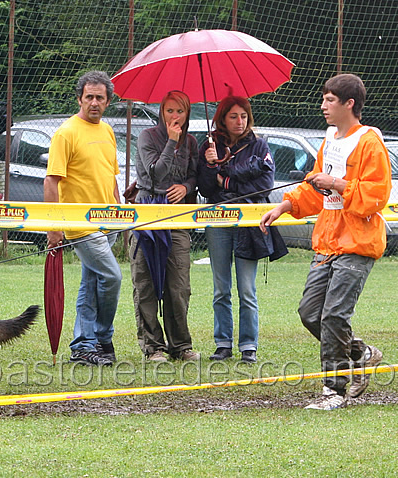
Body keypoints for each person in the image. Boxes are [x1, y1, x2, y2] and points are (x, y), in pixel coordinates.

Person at [260, 74, 390, 410]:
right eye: (323, 99)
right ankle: (361, 353)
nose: (323, 106)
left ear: (350, 104)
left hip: (358, 242)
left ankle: (335, 391)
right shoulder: (329, 139)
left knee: (334, 315)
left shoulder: (370, 142)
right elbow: (313, 192)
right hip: (327, 239)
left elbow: (375, 196)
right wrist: (284, 206)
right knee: (309, 312)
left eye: (330, 100)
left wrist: (337, 182)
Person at [44, 70, 122, 366]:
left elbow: (112, 176)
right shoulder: (66, 132)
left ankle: (83, 345)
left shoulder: (108, 131)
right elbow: (51, 181)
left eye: (99, 98)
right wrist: (54, 226)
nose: (93, 102)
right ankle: (102, 337)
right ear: (79, 98)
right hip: (80, 225)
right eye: (88, 97)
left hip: (109, 222)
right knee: (112, 276)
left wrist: (119, 209)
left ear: (107, 101)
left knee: (91, 282)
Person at [197, 96, 275, 364]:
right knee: (221, 287)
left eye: (243, 116)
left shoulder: (259, 145)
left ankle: (249, 346)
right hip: (217, 220)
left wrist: (226, 180)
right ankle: (223, 343)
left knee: (246, 288)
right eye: (233, 116)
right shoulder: (209, 144)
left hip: (249, 223)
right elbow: (206, 189)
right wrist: (210, 165)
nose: (239, 121)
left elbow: (264, 185)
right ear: (222, 118)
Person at [130, 90, 200, 362]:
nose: (174, 116)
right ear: (161, 112)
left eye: (179, 111)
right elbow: (155, 173)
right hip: (147, 212)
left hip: (178, 217)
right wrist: (171, 142)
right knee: (145, 282)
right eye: (169, 111)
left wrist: (185, 186)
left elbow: (195, 178)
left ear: (187, 114)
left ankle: (181, 345)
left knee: (178, 284)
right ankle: (153, 346)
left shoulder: (192, 142)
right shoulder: (148, 136)